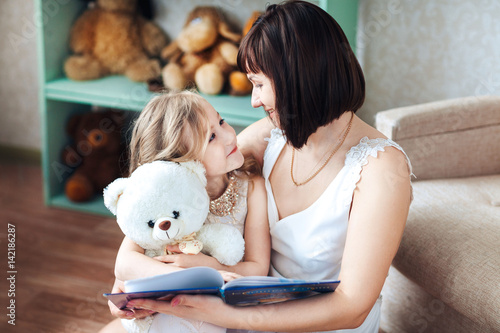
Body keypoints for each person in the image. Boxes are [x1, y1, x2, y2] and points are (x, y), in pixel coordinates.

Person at [108, 1, 413, 332]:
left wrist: (217, 314)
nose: (254, 101)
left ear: (297, 79)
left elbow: (351, 306)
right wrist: (135, 283)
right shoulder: (271, 137)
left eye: (258, 83)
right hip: (239, 307)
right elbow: (173, 182)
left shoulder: (381, 170)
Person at [99, 90, 270, 333]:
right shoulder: (165, 197)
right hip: (164, 312)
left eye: (221, 122)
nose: (230, 136)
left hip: (220, 314)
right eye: (211, 137)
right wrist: (171, 276)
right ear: (180, 162)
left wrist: (205, 267)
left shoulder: (251, 188)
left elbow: (258, 267)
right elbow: (124, 264)